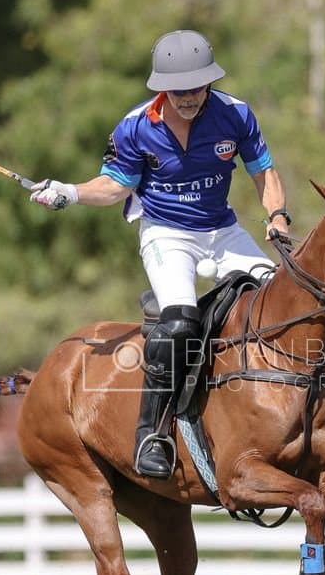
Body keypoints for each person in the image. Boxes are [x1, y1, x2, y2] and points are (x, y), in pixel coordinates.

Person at [29, 29, 292, 480]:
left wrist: (278, 216)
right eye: (178, 90)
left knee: (282, 305)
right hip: (167, 234)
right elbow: (115, 186)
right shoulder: (135, 127)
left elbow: (262, 172)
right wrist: (69, 192)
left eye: (196, 87)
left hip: (223, 230)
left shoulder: (235, 115)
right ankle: (152, 432)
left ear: (209, 82)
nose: (188, 97)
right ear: (161, 88)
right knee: (180, 323)